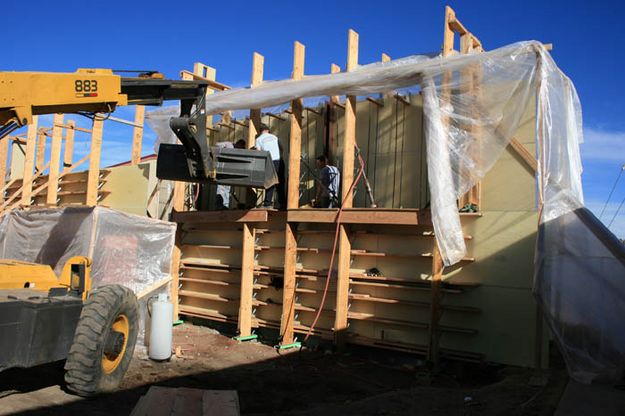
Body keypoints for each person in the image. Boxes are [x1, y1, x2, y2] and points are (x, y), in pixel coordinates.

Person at [255, 123, 285, 208]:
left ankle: (267, 204)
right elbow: (281, 148)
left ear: (260, 131)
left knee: (270, 182)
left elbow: (258, 153)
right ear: (268, 130)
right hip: (279, 161)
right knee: (280, 182)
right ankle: (282, 203)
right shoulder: (275, 137)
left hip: (270, 161)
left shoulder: (259, 139)